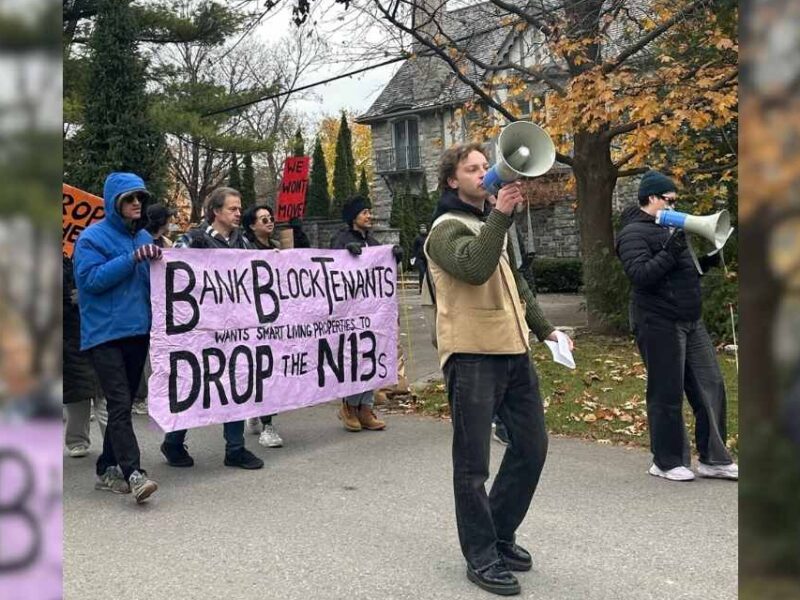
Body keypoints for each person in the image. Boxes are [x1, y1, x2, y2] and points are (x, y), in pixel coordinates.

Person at [424, 143, 572, 596]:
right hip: (471, 355)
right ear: (453, 181)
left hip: (513, 351)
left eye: (485, 166)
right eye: (472, 169)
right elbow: (474, 266)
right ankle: (482, 554)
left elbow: (515, 281)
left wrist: (545, 330)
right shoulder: (443, 229)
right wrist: (501, 215)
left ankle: (500, 532)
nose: (483, 173)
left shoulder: (490, 222)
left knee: (532, 446)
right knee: (472, 466)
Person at [615, 170, 738, 482]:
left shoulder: (669, 231)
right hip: (657, 321)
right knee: (666, 391)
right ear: (652, 198)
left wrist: (708, 260)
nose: (674, 206)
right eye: (669, 200)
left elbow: (685, 275)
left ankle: (713, 458)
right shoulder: (632, 233)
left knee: (711, 386)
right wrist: (671, 251)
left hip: (690, 321)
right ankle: (667, 461)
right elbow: (641, 275)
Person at [160, 187, 264, 470]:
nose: (238, 213)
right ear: (216, 211)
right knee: (197, 384)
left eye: (240, 208)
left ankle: (235, 448)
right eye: (233, 208)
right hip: (201, 329)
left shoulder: (242, 241)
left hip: (235, 328)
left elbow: (261, 271)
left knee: (237, 382)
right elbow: (172, 271)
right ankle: (173, 441)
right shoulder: (193, 240)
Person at [73, 172, 160, 504]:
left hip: (138, 332)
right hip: (105, 335)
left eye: (140, 197)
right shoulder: (91, 238)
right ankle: (134, 474)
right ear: (114, 202)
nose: (137, 203)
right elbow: (90, 281)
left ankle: (106, 467)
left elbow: (153, 285)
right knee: (121, 403)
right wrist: (131, 259)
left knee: (121, 404)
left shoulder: (143, 237)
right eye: (130, 198)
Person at [330, 195, 402, 432]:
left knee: (371, 356)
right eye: (364, 213)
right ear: (353, 217)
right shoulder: (340, 240)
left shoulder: (373, 241)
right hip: (351, 313)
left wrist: (393, 256)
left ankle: (366, 407)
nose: (369, 216)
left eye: (370, 211)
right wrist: (344, 255)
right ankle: (349, 406)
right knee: (353, 358)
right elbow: (331, 271)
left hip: (373, 313)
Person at [241, 203, 284, 448]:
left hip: (274, 319)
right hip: (251, 320)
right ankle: (262, 418)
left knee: (272, 370)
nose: (270, 222)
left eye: (271, 217)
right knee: (257, 368)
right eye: (263, 219)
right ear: (252, 225)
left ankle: (266, 420)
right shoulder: (244, 250)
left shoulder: (277, 249)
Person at [63, 255, 107, 458]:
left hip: (98, 328)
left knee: (104, 390)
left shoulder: (90, 250)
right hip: (69, 333)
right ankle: (77, 440)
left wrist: (87, 295)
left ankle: (114, 442)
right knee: (77, 392)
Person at [412, 224, 428, 293]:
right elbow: (414, 249)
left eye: (424, 228)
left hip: (427, 258)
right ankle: (421, 288)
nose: (423, 229)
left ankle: (427, 289)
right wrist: (413, 258)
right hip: (420, 258)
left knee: (428, 274)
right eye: (421, 228)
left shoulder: (428, 237)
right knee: (422, 272)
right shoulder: (417, 238)